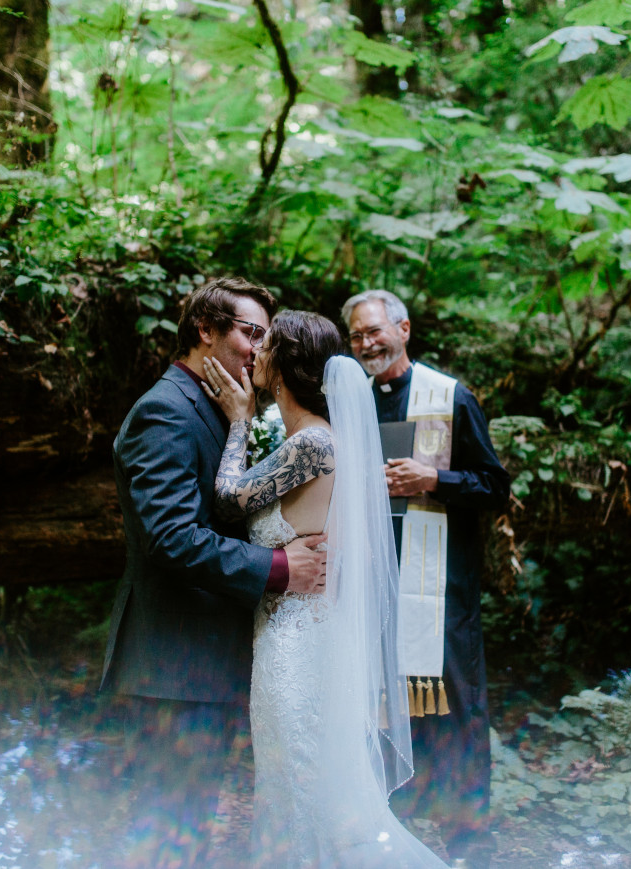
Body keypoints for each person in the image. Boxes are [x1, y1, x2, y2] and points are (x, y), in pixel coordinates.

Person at [201, 310, 447, 868]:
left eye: (265, 347)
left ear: (283, 367)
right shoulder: (312, 439)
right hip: (293, 637)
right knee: (295, 792)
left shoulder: (312, 443)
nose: (255, 354)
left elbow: (227, 499)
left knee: (309, 794)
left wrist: (239, 421)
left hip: (299, 648)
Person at [101, 278, 328, 869]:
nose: (259, 349)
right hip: (176, 659)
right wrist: (280, 567)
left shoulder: (221, 408)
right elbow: (170, 538)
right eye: (249, 333)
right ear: (206, 330)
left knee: (190, 818)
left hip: (206, 657)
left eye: (265, 337)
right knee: (169, 821)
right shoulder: (166, 410)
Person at [342, 289, 511, 869]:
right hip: (368, 593)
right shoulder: (350, 403)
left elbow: (495, 488)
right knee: (382, 712)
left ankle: (469, 845)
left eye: (374, 331)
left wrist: (434, 480)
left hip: (440, 597)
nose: (366, 343)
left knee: (457, 713)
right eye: (357, 336)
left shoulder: (449, 396)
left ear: (404, 328)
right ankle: (391, 838)